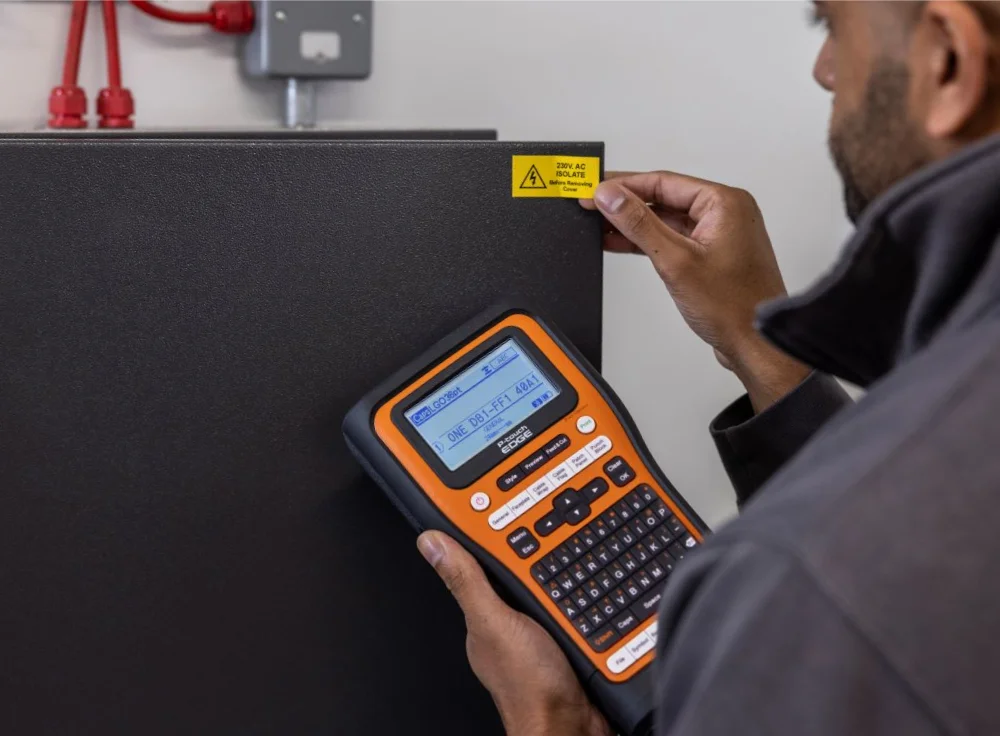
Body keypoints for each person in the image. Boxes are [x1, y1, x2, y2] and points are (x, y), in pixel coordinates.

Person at [416, 2, 1000, 734]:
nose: (824, 72)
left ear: (948, 56)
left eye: (831, 28)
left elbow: (867, 559)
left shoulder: (804, 589)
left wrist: (552, 721)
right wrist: (762, 346)